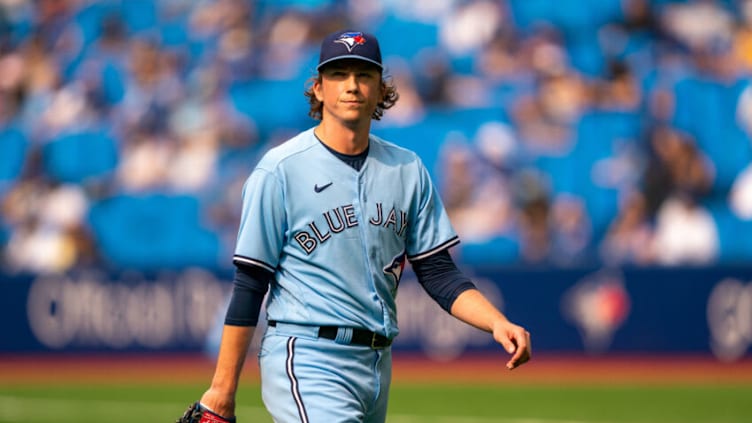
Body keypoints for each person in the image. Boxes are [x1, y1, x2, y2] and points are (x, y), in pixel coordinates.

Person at [183, 29, 531, 423]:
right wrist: (223, 390)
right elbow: (250, 284)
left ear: (381, 90)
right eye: (339, 75)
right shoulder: (280, 171)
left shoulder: (407, 169)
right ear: (317, 89)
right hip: (308, 354)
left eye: (363, 75)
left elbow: (438, 272)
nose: (352, 85)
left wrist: (496, 322)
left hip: (376, 364)